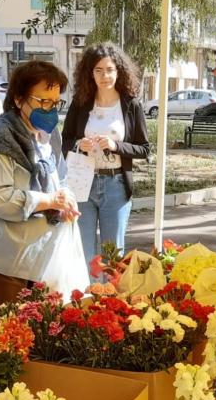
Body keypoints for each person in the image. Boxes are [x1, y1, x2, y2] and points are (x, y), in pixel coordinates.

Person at [0, 60, 79, 302]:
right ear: (18, 99)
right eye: (42, 102)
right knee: (6, 334)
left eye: (56, 103)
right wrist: (48, 200)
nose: (50, 111)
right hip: (4, 262)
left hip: (41, 260)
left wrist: (64, 200)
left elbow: (59, 178)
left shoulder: (49, 134)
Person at [61, 42, 150, 265]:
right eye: (98, 70)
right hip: (83, 183)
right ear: (90, 73)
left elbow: (144, 149)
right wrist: (79, 145)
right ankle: (89, 298)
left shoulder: (131, 105)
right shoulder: (80, 103)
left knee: (113, 256)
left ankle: (112, 300)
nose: (105, 76)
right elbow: (65, 141)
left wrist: (115, 145)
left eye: (109, 69)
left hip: (116, 185)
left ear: (118, 71)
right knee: (85, 253)